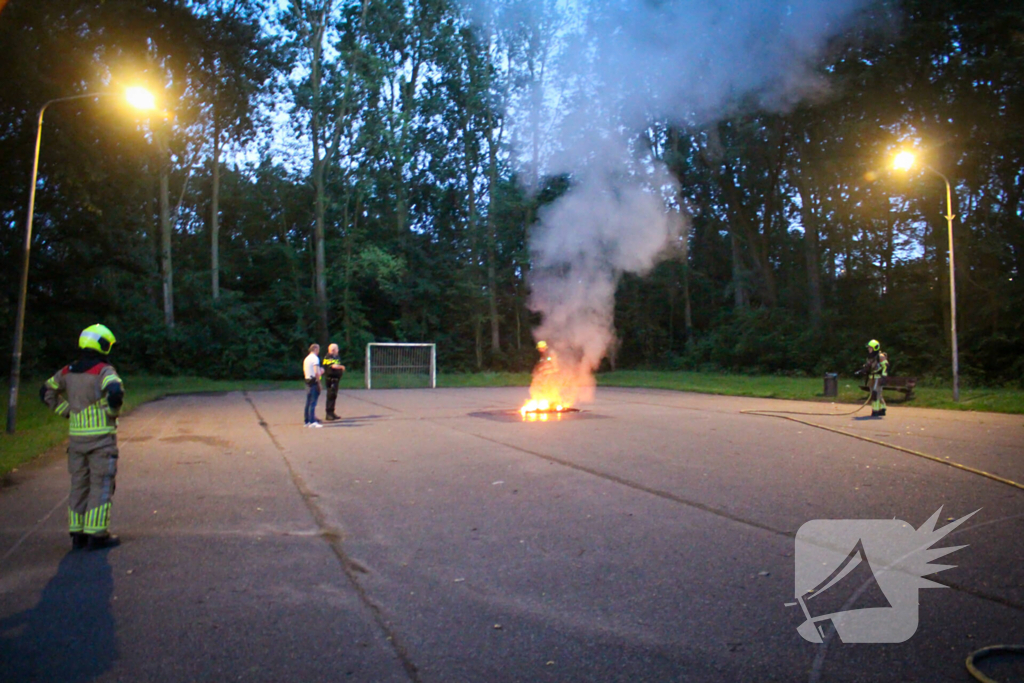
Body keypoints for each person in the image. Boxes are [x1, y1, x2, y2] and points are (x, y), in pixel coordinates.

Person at [40, 324, 124, 551]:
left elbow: (46, 391)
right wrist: (111, 412)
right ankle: (97, 535)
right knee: (101, 485)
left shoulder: (68, 371)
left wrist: (67, 411)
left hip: (76, 441)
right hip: (101, 441)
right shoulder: (104, 370)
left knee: (79, 484)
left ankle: (77, 534)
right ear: (102, 345)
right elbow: (115, 392)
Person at [862, 339, 889, 418]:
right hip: (872, 377)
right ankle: (883, 408)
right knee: (876, 393)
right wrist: (863, 370)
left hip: (878, 377)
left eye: (870, 348)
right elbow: (868, 366)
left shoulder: (880, 357)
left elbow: (886, 366)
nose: (869, 349)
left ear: (875, 348)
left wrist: (884, 376)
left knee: (875, 393)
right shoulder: (870, 357)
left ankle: (875, 410)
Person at [322, 343, 346, 421]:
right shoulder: (328, 357)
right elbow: (333, 366)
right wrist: (341, 367)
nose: (338, 350)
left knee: (334, 396)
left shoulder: (336, 357)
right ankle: (328, 414)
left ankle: (332, 412)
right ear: (333, 350)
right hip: (330, 379)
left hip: (336, 379)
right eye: (337, 349)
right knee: (330, 396)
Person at [303, 343, 323, 428]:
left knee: (308, 402)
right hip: (313, 381)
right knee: (313, 402)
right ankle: (312, 421)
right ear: (315, 349)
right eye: (318, 349)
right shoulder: (315, 358)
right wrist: (319, 382)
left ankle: (307, 420)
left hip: (307, 380)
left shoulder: (306, 359)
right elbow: (316, 372)